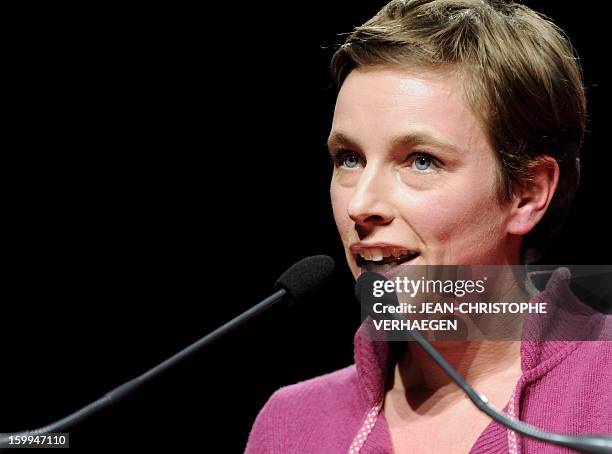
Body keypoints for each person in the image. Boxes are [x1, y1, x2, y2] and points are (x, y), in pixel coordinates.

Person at [245, 0, 612, 452]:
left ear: (527, 193)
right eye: (349, 158)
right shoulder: (291, 426)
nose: (360, 204)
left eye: (421, 161)